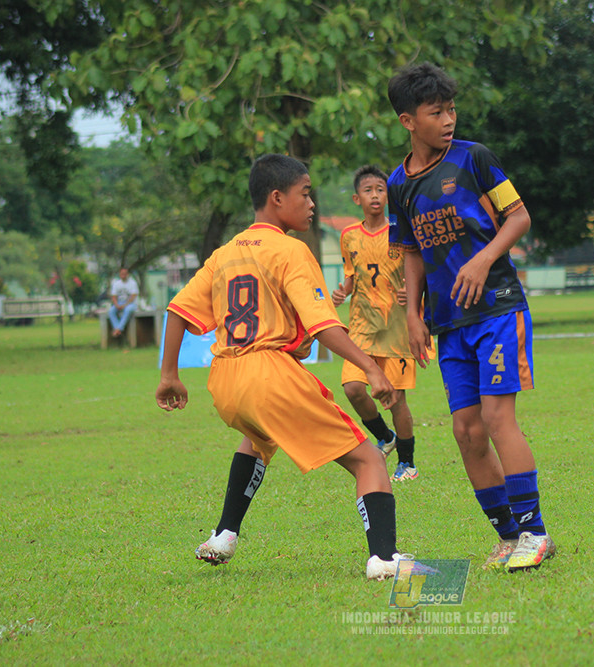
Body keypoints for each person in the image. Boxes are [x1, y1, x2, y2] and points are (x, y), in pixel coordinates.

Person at [155, 153, 406, 581]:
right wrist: (371, 367)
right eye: (304, 194)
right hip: (270, 374)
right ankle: (384, 558)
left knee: (257, 439)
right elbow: (324, 325)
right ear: (277, 198)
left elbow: (178, 310)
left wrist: (168, 376)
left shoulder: (225, 253)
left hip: (226, 381)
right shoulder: (291, 250)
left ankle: (224, 535)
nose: (311, 204)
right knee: (369, 460)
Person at [385, 62, 555, 573]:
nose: (448, 120)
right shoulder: (398, 184)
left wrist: (483, 260)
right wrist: (413, 314)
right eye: (436, 112)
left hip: (497, 309)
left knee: (499, 419)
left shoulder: (474, 159)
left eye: (451, 109)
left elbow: (519, 217)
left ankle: (535, 532)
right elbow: (411, 250)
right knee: (466, 431)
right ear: (407, 121)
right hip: (449, 323)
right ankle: (508, 536)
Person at [331, 165, 420, 483]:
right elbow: (352, 276)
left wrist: (412, 291)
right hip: (362, 327)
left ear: (388, 196)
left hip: (396, 329)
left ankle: (407, 463)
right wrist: (343, 291)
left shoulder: (401, 231)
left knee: (396, 399)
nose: (375, 196)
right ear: (357, 198)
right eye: (368, 190)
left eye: (380, 190)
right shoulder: (348, 236)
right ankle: (385, 437)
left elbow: (418, 272)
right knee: (353, 389)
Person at [108, 267, 139, 337]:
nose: (123, 275)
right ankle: (117, 328)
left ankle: (119, 329)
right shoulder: (116, 284)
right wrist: (116, 305)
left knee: (128, 310)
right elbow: (114, 296)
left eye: (125, 274)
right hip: (119, 302)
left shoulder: (132, 283)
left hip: (130, 303)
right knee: (111, 311)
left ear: (127, 274)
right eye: (122, 274)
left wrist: (125, 305)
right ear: (119, 274)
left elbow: (133, 296)